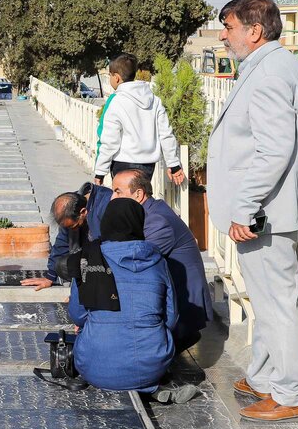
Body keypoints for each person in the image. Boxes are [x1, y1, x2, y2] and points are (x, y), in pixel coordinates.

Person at [209, 0, 298, 423]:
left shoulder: (268, 76)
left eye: (229, 28)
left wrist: (243, 207)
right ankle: (265, 376)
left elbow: (274, 151)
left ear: (254, 31)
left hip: (268, 213)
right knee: (270, 298)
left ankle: (293, 392)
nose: (224, 36)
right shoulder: (284, 66)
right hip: (285, 207)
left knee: (278, 302)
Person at [69, 198, 190, 400]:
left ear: (105, 223)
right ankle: (149, 387)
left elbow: (77, 315)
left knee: (87, 328)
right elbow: (171, 318)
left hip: (94, 366)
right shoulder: (158, 261)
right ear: (138, 223)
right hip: (154, 365)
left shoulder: (88, 259)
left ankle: (135, 383)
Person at [111, 169, 213, 351]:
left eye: (117, 192)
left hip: (184, 307)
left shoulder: (156, 220)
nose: (112, 198)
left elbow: (136, 264)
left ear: (139, 194)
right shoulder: (148, 211)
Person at [93, 53, 185, 187]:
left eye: (110, 75)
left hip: (122, 164)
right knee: (140, 202)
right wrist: (173, 164)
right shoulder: (154, 100)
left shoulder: (116, 102)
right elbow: (166, 134)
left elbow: (109, 140)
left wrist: (100, 171)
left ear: (117, 78)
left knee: (124, 205)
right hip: (148, 166)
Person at [23, 182, 112, 292]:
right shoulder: (71, 206)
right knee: (62, 265)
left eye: (74, 226)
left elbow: (108, 251)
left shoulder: (105, 207)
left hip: (111, 258)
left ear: (83, 212)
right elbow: (62, 242)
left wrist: (81, 294)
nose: (72, 230)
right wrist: (49, 277)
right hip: (91, 256)